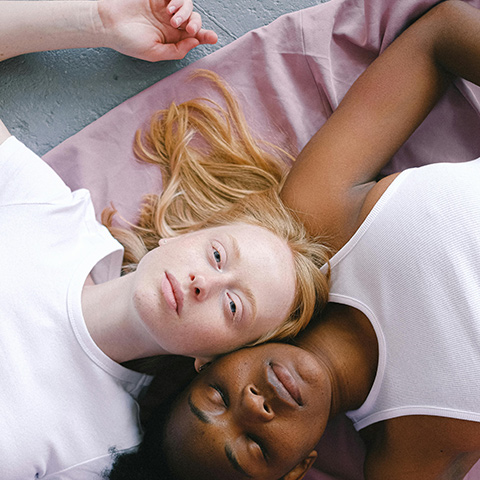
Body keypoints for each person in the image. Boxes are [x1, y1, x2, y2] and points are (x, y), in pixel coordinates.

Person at [106, 1, 480, 478]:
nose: (253, 407)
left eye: (218, 396)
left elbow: (440, 37)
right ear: (297, 470)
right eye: (255, 448)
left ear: (211, 360)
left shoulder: (317, 218)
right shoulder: (409, 460)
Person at [0, 1, 330, 477]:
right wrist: (98, 22)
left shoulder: (104, 445)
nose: (204, 283)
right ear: (179, 237)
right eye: (216, 255)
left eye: (233, 305)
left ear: (211, 359)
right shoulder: (52, 216)